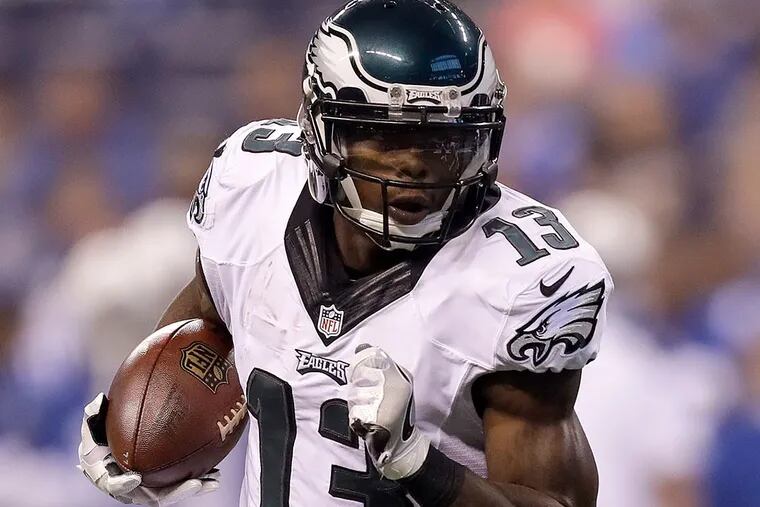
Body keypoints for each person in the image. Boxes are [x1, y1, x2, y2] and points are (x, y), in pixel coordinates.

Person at [77, 1, 613, 505]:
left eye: (444, 140)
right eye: (385, 135)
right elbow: (210, 317)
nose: (415, 164)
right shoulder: (252, 192)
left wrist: (421, 465)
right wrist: (134, 425)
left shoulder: (522, 283)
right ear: (322, 133)